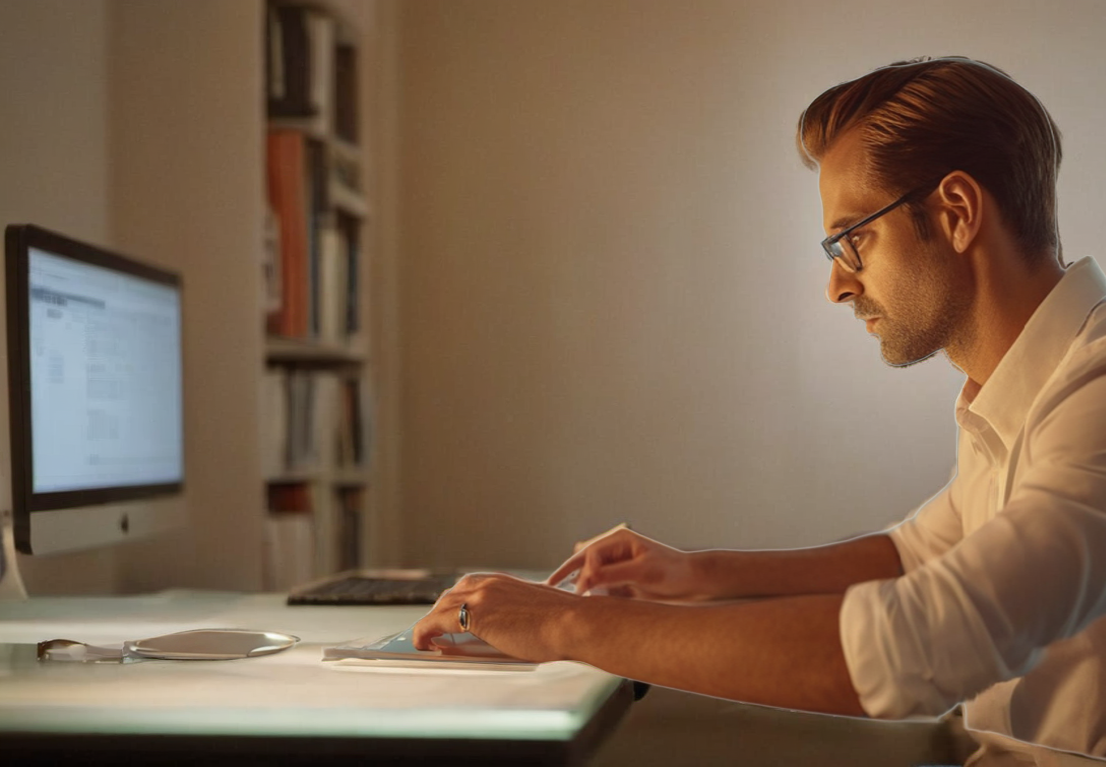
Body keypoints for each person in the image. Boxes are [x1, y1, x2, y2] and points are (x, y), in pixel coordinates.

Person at [413, 57, 1106, 765]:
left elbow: (922, 644)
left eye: (853, 240)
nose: (838, 285)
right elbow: (917, 553)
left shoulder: (1097, 393)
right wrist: (696, 573)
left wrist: (568, 622)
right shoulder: (1025, 386)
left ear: (957, 212)